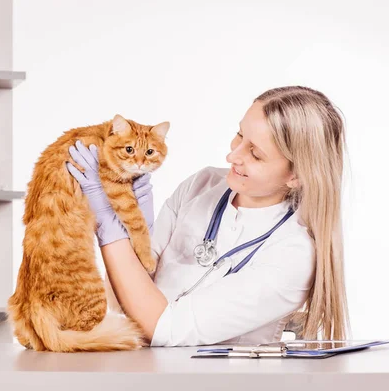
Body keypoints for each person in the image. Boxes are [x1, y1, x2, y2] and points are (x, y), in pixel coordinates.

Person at [66, 85, 350, 347]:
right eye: (239, 135)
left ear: (296, 176)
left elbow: (165, 329)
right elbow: (119, 295)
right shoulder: (203, 185)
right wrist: (135, 230)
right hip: (142, 371)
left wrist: (109, 230)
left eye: (256, 154)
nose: (233, 156)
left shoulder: (292, 255)